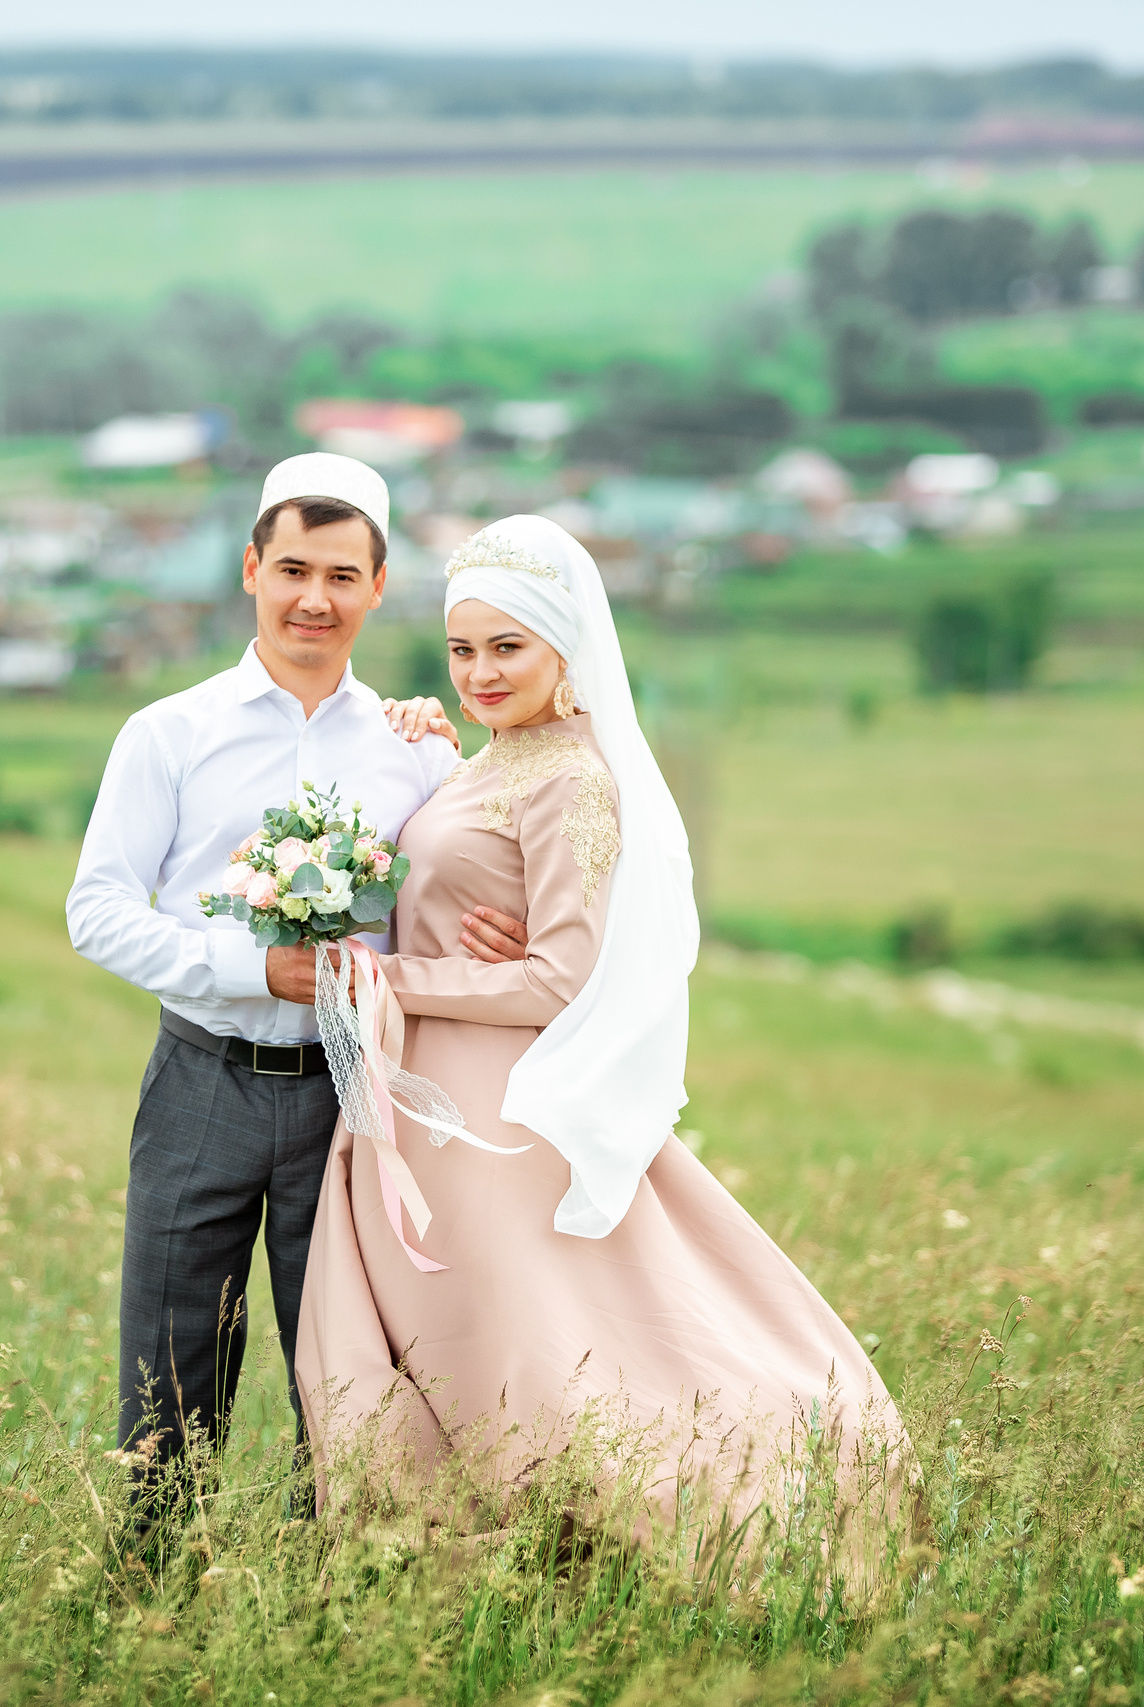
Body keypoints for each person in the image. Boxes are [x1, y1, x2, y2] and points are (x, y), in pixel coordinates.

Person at [295, 513, 907, 1556]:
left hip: (490, 1111)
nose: (480, 671)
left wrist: (384, 973)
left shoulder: (572, 778)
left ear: (563, 650)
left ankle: (629, 1540)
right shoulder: (492, 756)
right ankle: (449, 1562)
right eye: (461, 649)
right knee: (461, 1341)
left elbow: (557, 980)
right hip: (425, 1096)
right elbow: (466, 872)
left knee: (516, 1351)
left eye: (506, 648)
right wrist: (425, 741)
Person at [67, 452, 528, 1528]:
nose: (311, 598)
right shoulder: (168, 733)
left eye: (339, 574)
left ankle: (330, 1608)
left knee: (351, 1374)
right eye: (290, 569)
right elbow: (96, 911)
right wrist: (250, 968)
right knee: (168, 1375)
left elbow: (450, 902)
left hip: (354, 1094)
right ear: (250, 571)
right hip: (200, 1080)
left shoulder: (415, 751)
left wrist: (489, 932)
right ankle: (150, 1599)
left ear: (375, 587)